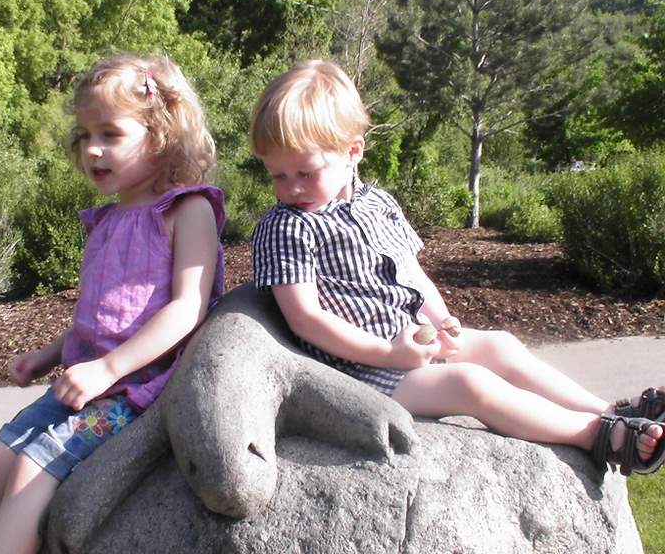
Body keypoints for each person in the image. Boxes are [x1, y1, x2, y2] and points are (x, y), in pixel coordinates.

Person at [250, 59, 665, 478]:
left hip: (410, 343)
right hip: (359, 372)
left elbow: (411, 272)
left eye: (305, 172)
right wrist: (388, 353)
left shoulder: (377, 204)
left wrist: (442, 320)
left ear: (352, 152)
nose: (292, 188)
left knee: (500, 346)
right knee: (470, 384)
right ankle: (596, 435)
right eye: (278, 176)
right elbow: (306, 318)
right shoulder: (287, 226)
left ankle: (608, 410)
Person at [0, 54, 225, 554]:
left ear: (162, 134)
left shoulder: (187, 210)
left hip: (136, 389)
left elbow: (187, 309)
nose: (92, 149)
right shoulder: (108, 219)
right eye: (84, 135)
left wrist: (108, 369)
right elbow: (105, 316)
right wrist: (48, 355)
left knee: (30, 469)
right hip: (85, 381)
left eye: (110, 134)